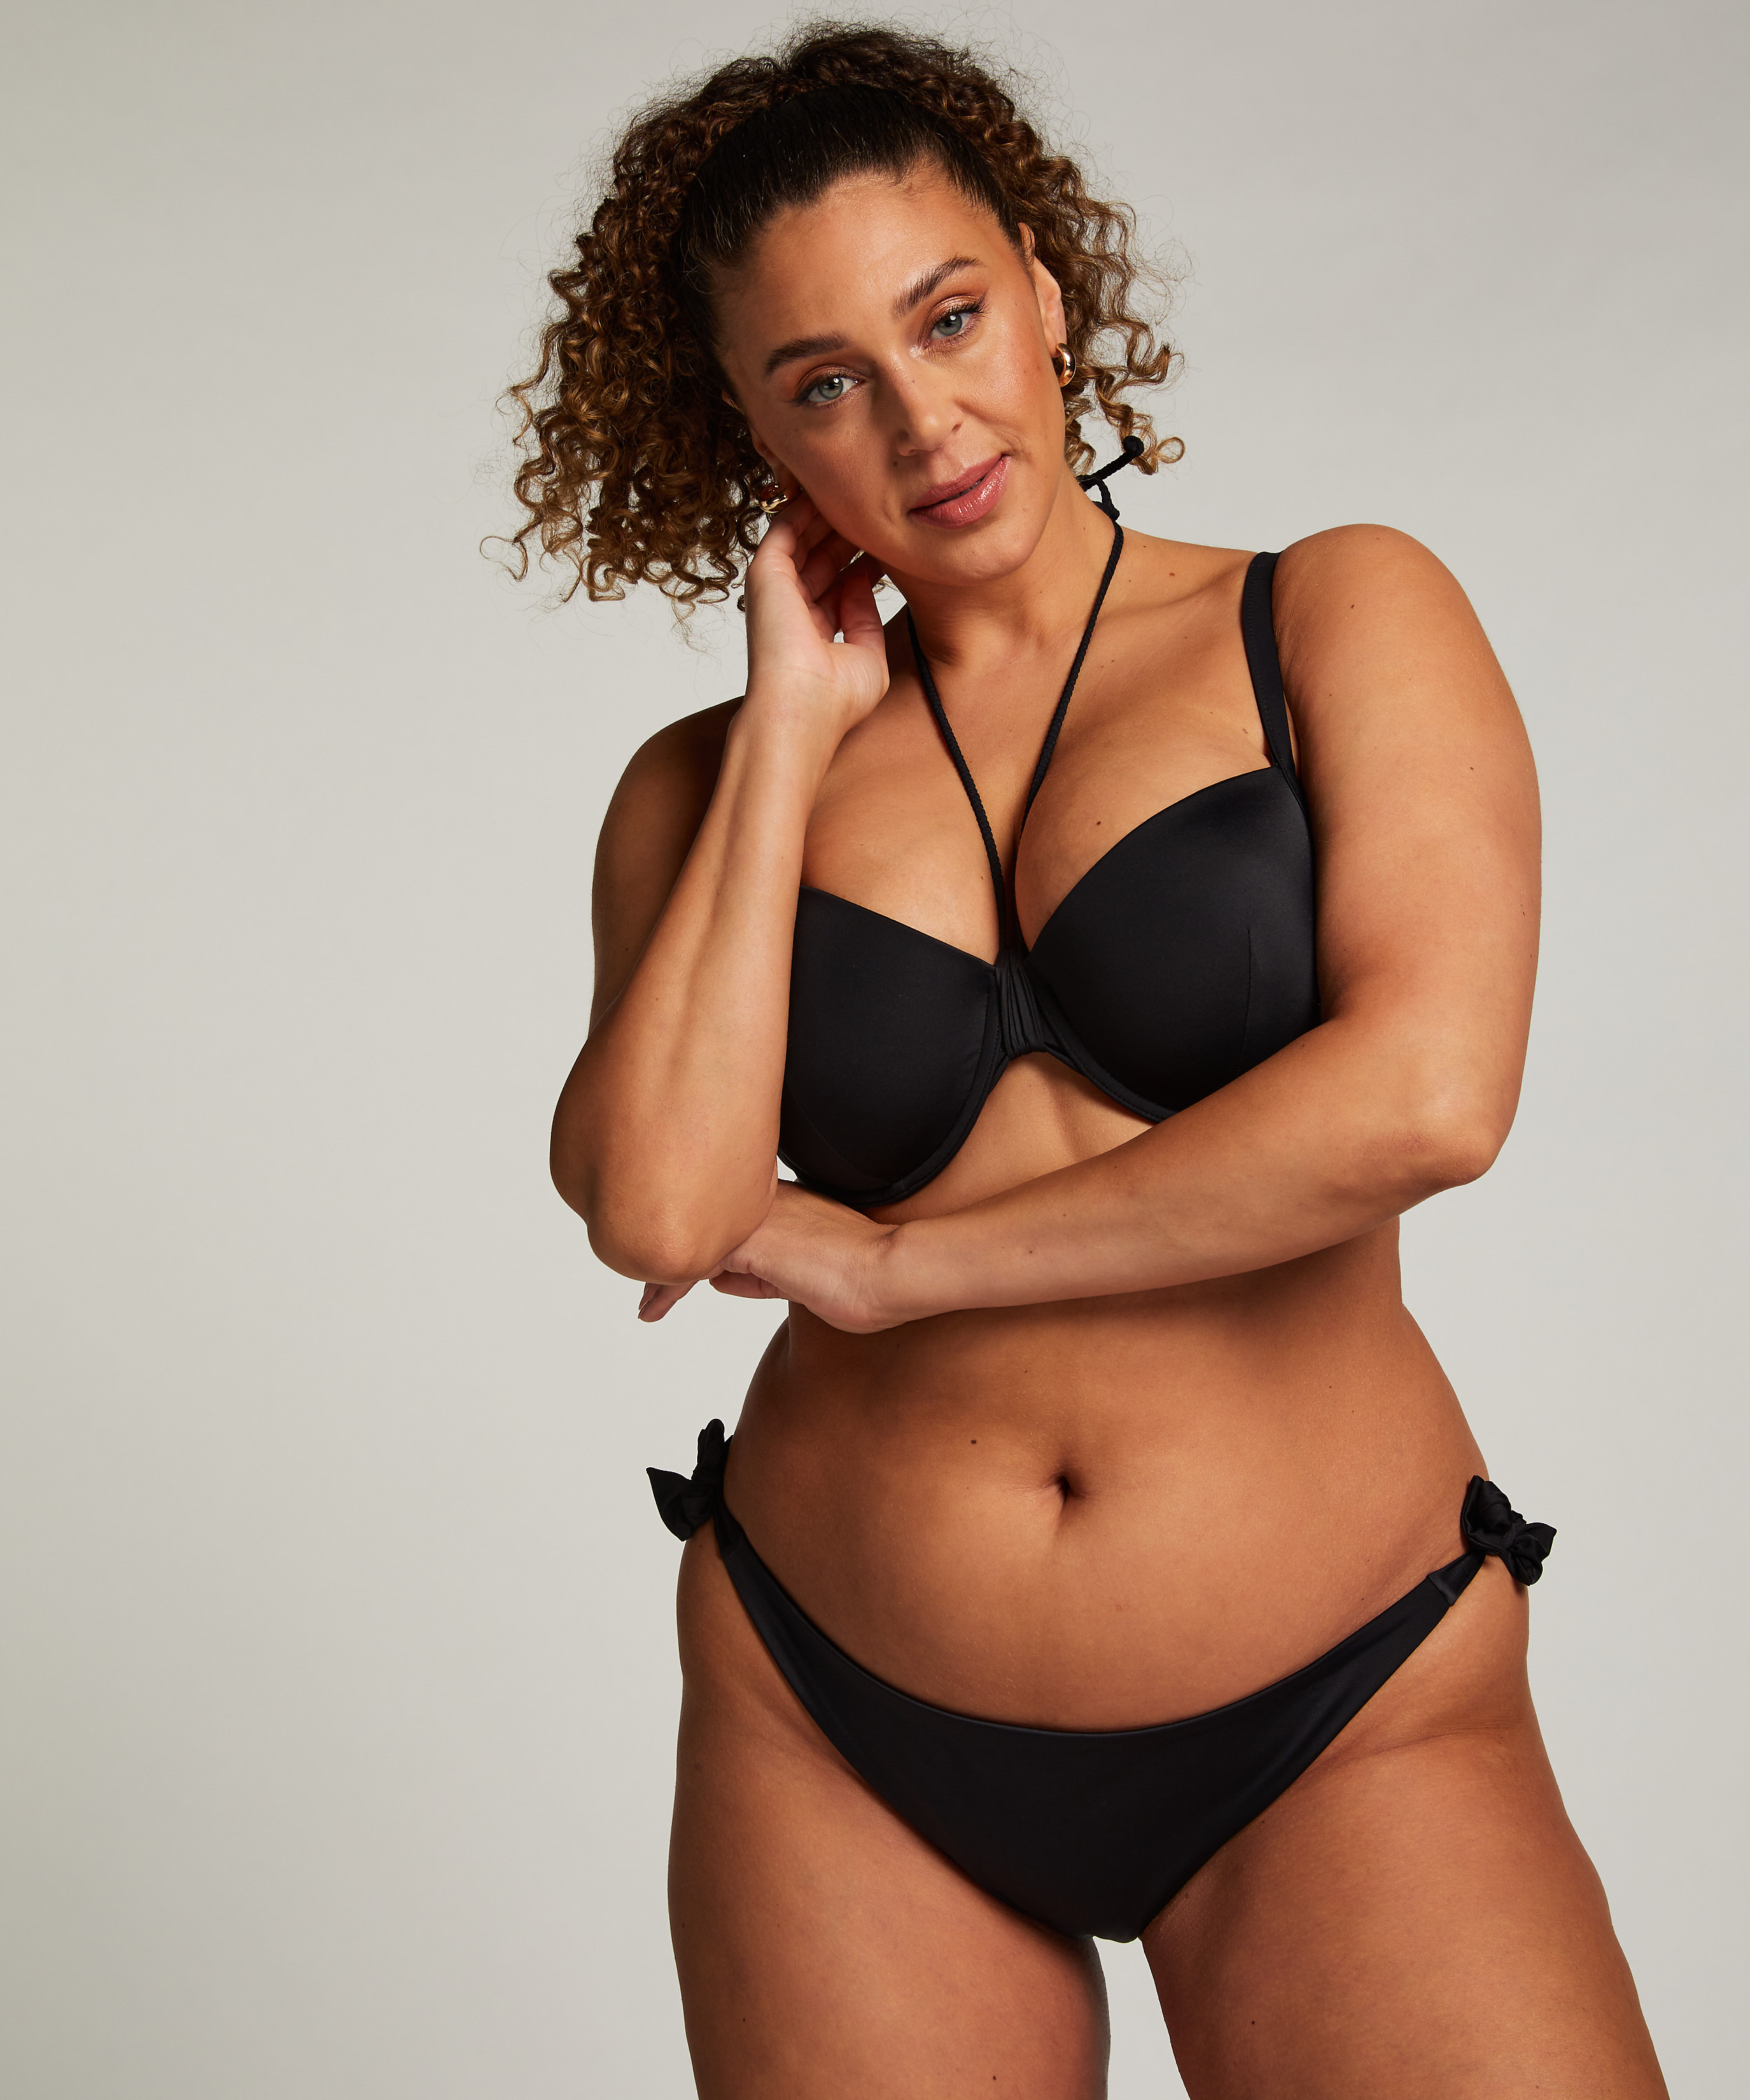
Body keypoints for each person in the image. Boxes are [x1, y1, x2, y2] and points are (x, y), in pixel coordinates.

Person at [505, 23, 1667, 2097]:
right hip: (836, 1713)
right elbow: (661, 1210)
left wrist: (901, 1267)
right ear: (749, 430)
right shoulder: (700, 787)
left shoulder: (1331, 617)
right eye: (822, 383)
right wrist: (786, 736)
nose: (920, 417)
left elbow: (1425, 1097)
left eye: (947, 317)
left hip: (1339, 1698)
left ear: (1045, 292)